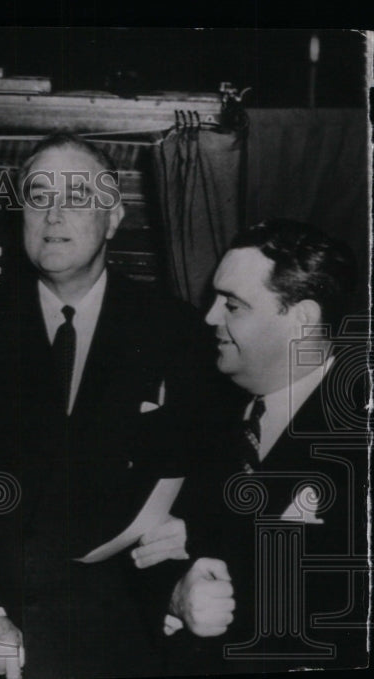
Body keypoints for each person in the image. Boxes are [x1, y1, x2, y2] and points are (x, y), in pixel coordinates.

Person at [0, 134, 229, 678]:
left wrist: (183, 571)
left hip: (123, 624)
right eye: (38, 196)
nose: (52, 215)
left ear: (113, 218)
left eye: (76, 196)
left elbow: (208, 477)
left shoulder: (177, 331)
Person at [163, 219, 368, 673]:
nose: (210, 317)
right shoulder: (210, 414)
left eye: (232, 305)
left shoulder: (360, 440)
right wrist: (176, 598)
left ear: (302, 319)